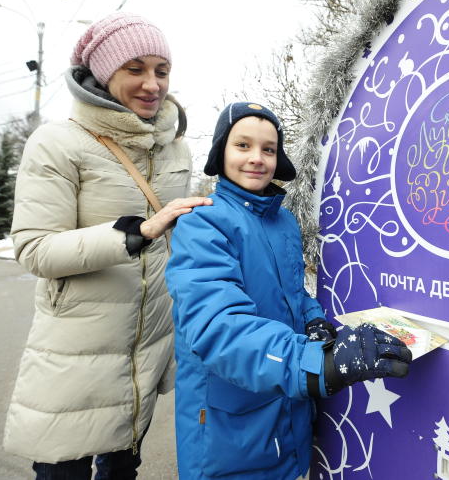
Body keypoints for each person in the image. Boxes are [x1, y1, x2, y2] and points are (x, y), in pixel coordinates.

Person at [3, 12, 211, 479]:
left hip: (148, 342)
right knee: (64, 472)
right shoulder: (59, 142)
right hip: (76, 351)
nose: (152, 84)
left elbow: (179, 234)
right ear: (103, 72)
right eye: (134, 69)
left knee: (122, 471)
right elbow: (35, 249)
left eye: (161, 70)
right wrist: (135, 233)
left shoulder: (175, 146)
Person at [166, 102, 413, 480]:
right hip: (229, 428)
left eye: (268, 149)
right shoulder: (203, 223)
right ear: (221, 152)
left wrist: (313, 320)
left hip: (288, 411)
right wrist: (321, 365)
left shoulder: (283, 220)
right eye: (243, 145)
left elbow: (294, 292)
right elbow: (218, 328)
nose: (257, 158)